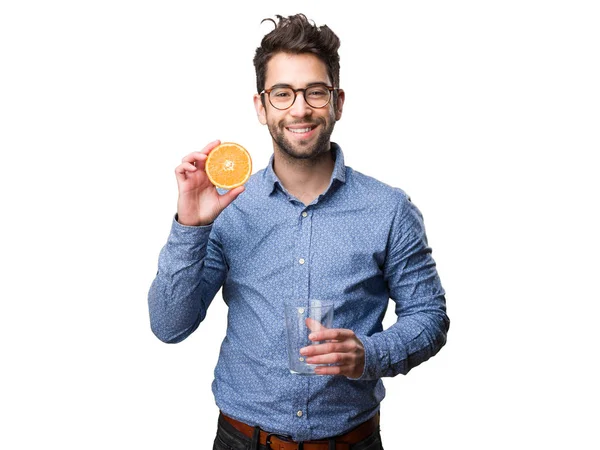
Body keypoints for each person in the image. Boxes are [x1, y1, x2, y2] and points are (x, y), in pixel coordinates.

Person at [148, 13, 449, 450]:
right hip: (242, 440)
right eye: (283, 94)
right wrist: (191, 228)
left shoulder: (389, 210)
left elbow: (430, 318)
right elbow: (169, 326)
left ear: (338, 102)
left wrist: (369, 354)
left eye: (315, 92)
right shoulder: (229, 207)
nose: (300, 108)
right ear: (261, 106)